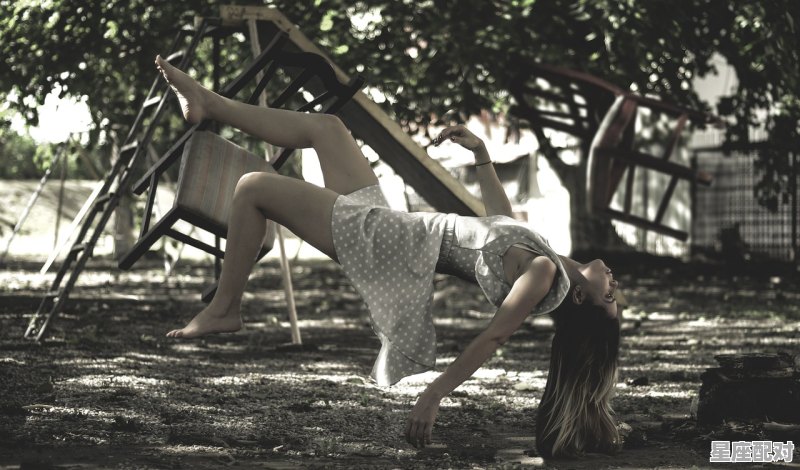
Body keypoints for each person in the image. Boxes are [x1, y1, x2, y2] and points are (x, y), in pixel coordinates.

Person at [154, 54, 623, 457]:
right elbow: (498, 221)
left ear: (581, 299)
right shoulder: (543, 256)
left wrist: (435, 395)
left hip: (385, 242)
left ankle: (225, 309)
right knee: (328, 127)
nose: (616, 287)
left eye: (611, 299)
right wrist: (481, 155)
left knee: (253, 187)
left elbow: (491, 339)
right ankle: (210, 103)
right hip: (395, 227)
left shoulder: (540, 275)